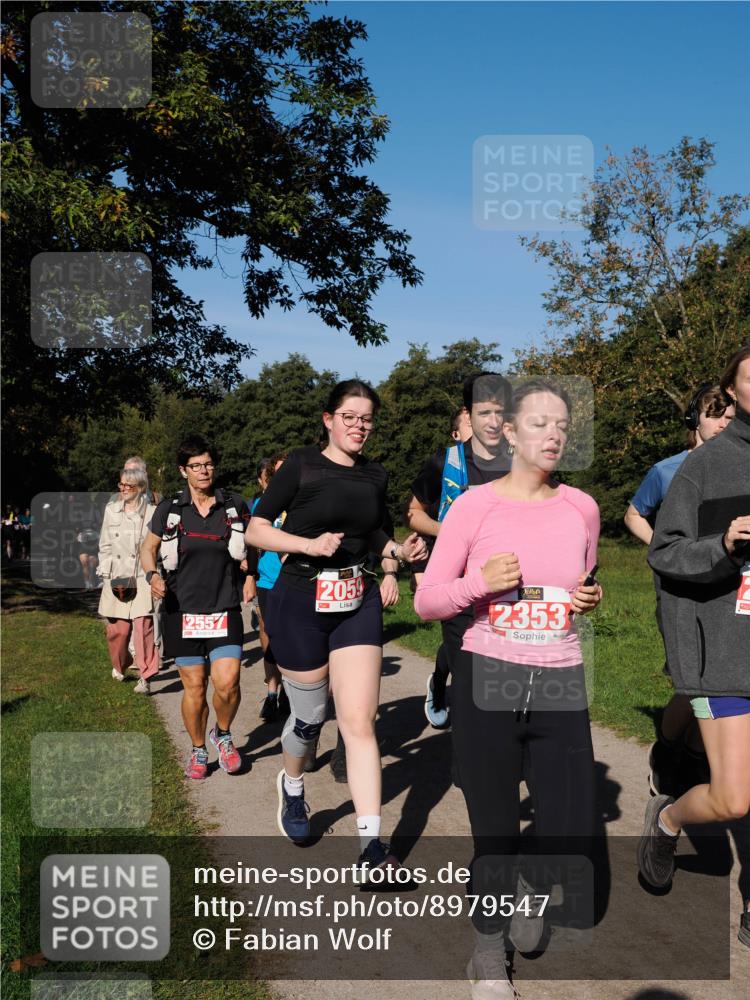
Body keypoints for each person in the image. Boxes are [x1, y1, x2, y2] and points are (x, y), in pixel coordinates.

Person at [415, 378, 603, 999]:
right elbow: (426, 600)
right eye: (540, 424)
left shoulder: (582, 508)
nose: (553, 435)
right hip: (488, 673)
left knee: (566, 822)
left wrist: (584, 599)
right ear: (511, 432)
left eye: (562, 426)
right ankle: (487, 948)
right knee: (494, 824)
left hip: (557, 672)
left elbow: (577, 585)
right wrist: (478, 584)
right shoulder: (473, 506)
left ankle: (529, 886)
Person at [245, 379, 425, 870]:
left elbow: (375, 531)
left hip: (355, 598)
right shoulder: (301, 464)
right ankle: (294, 784)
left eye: (366, 419)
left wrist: (396, 551)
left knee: (359, 722)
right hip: (299, 597)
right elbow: (258, 529)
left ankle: (371, 847)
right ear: (328, 419)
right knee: (309, 719)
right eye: (349, 417)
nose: (359, 427)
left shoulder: (375, 475)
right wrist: (307, 545)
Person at [638, 346, 750, 949]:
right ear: (731, 393)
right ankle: (669, 817)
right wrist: (724, 548)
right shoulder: (704, 466)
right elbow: (664, 553)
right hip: (725, 655)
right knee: (735, 798)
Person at [624, 384, 735, 794]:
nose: (722, 422)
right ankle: (667, 752)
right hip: (681, 592)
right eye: (713, 413)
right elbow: (634, 514)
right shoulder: (667, 470)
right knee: (691, 683)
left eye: (729, 414)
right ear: (695, 420)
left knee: (722, 679)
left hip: (732, 592)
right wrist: (666, 549)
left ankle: (693, 755)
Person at [406, 372, 512, 729]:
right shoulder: (446, 462)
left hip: (511, 586)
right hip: (460, 585)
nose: (494, 421)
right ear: (469, 414)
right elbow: (414, 514)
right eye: (485, 412)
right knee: (470, 680)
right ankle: (473, 765)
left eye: (502, 411)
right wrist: (454, 534)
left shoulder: (524, 461)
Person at [141, 436, 250, 779]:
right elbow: (148, 548)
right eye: (196, 465)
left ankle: (224, 734)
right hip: (182, 609)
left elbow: (255, 542)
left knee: (228, 682)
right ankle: (199, 749)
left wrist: (251, 574)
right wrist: (151, 575)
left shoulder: (233, 504)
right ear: (183, 470)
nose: (204, 471)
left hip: (224, 606)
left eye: (208, 464)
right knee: (194, 685)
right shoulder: (171, 509)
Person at [96, 468, 160, 692]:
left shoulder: (153, 513)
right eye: (121, 485)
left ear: (140, 488)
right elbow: (104, 543)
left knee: (144, 628)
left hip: (142, 576)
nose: (123, 489)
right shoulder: (111, 510)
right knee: (119, 632)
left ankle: (146, 675)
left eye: (128, 486)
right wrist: (105, 569)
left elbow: (158, 546)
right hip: (117, 578)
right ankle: (120, 664)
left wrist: (157, 572)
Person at [244, 454, 290, 723]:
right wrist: (249, 572)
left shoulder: (303, 501)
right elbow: (251, 540)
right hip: (268, 579)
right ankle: (272, 693)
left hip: (297, 580)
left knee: (294, 637)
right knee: (268, 633)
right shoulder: (262, 503)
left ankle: (291, 693)